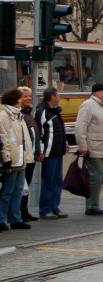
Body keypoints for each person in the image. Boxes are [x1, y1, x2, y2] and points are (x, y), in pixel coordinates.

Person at [75, 83, 103, 216]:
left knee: (98, 175)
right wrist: (82, 145)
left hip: (101, 148)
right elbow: (81, 126)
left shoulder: (101, 107)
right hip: (92, 148)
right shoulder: (88, 105)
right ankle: (92, 206)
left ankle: (93, 204)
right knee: (98, 174)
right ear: (97, 93)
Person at [0, 88, 34, 231]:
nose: (24, 100)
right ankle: (2, 219)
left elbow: (25, 139)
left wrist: (28, 157)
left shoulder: (18, 116)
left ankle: (15, 218)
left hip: (21, 157)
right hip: (12, 158)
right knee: (7, 190)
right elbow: (4, 138)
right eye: (22, 97)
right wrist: (6, 158)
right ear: (15, 100)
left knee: (18, 190)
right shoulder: (4, 116)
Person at [35, 87, 69, 219]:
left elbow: (59, 130)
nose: (59, 97)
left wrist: (64, 143)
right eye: (58, 95)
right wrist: (40, 151)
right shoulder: (42, 112)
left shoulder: (55, 111)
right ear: (52, 97)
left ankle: (55, 207)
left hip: (57, 151)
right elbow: (40, 133)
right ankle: (45, 209)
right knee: (48, 182)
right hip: (48, 152)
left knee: (57, 181)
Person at [17, 86, 42, 223]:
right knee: (22, 186)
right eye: (25, 96)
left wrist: (38, 152)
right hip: (23, 157)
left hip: (31, 156)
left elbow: (34, 136)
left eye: (30, 95)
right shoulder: (21, 116)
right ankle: (20, 212)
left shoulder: (29, 115)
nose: (29, 98)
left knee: (26, 184)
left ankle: (24, 211)